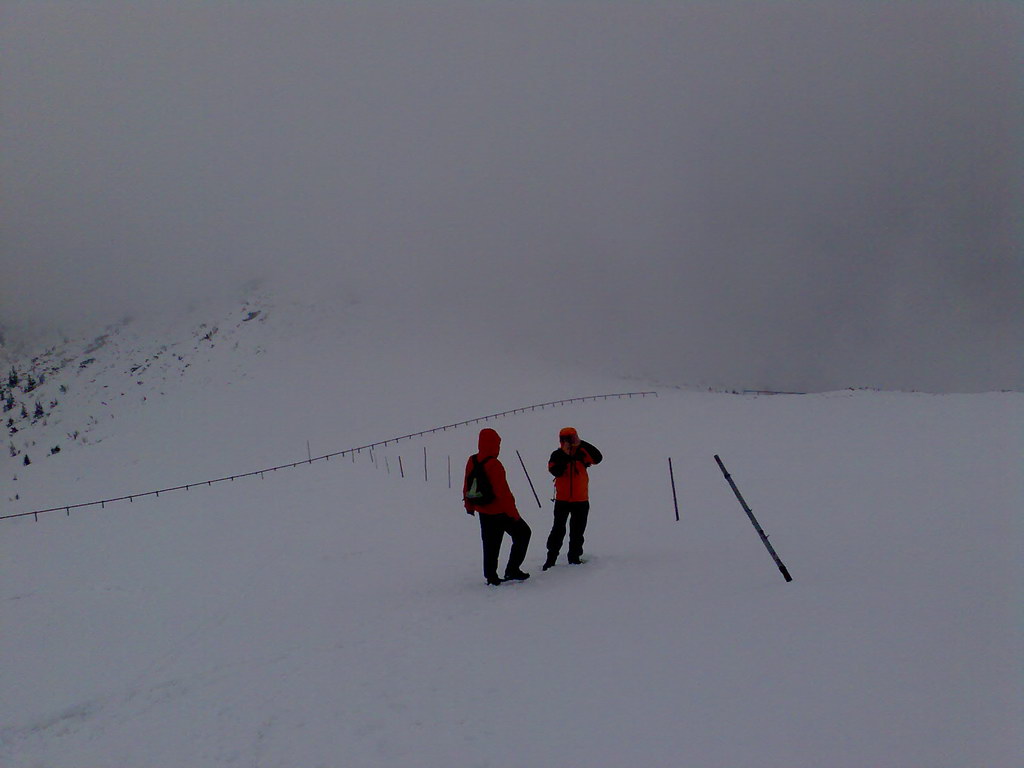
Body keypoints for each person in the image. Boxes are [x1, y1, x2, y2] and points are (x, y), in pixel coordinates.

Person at [463, 428, 532, 586]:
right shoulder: (494, 464)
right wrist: (513, 514)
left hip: (483, 512)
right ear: (494, 444)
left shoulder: (472, 460)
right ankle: (512, 569)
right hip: (500, 512)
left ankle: (491, 577)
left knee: (490, 544)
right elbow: (503, 493)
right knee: (523, 533)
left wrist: (469, 505)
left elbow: (467, 484)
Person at [543, 427, 603, 570]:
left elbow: (598, 458)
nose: (569, 441)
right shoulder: (557, 455)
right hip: (563, 500)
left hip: (581, 499)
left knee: (577, 531)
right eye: (566, 439)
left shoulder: (582, 452)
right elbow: (555, 471)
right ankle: (551, 559)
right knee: (558, 530)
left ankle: (574, 557)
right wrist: (565, 455)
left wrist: (581, 443)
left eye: (572, 438)